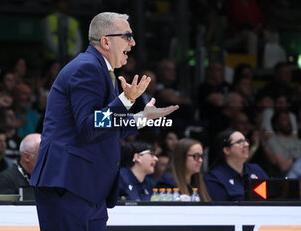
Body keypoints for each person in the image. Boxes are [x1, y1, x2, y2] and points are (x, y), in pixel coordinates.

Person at [30, 12, 178, 231]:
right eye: (127, 36)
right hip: (69, 184)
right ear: (106, 41)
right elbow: (89, 125)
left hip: (86, 187)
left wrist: (142, 118)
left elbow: (105, 127)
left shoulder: (101, 70)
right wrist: (126, 99)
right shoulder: (87, 68)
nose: (133, 42)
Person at [204, 129, 268, 201]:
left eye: (246, 141)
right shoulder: (214, 178)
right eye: (240, 142)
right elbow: (220, 209)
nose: (247, 145)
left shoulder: (256, 170)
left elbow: (272, 197)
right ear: (227, 150)